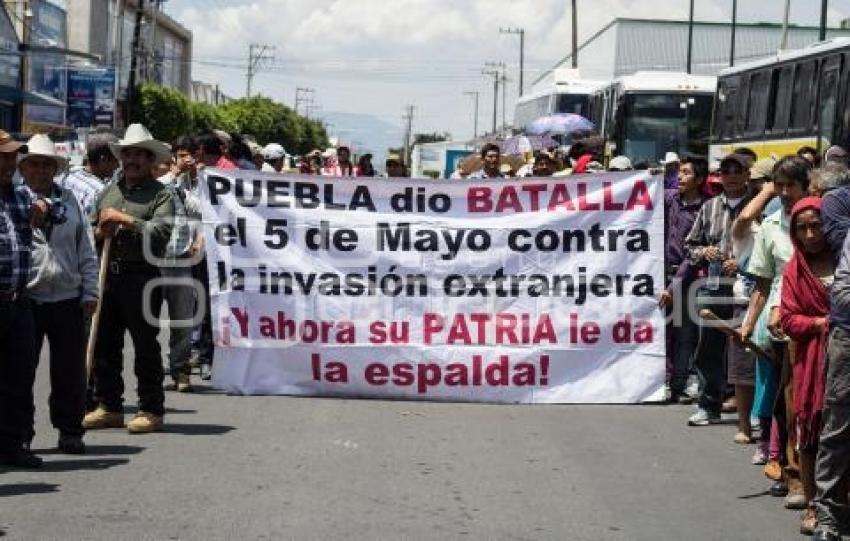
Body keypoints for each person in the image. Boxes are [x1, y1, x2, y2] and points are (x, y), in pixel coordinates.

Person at [83, 123, 175, 434]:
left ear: (151, 161)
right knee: (106, 345)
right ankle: (109, 406)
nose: (133, 160)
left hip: (142, 277)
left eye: (139, 155)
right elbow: (92, 232)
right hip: (108, 275)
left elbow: (161, 232)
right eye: (128, 154)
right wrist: (100, 231)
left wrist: (125, 220)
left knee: (145, 346)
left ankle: (151, 408)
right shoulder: (109, 191)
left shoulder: (162, 195)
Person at [740, 156, 812, 510]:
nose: (784, 193)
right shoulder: (770, 226)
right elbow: (763, 281)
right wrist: (749, 324)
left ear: (806, 186)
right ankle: (790, 472)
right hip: (782, 326)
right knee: (786, 403)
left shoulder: (823, 223)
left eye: (791, 186)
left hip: (821, 324)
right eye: (779, 186)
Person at [20, 134, 98, 455]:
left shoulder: (70, 201)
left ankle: (70, 430)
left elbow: (86, 249)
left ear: (55, 168)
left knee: (69, 372)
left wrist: (90, 290)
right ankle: (19, 434)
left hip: (67, 297)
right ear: (22, 169)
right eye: (33, 164)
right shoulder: (13, 199)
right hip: (26, 299)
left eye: (46, 165)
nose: (40, 170)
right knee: (19, 372)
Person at [0, 131, 61, 468]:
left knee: (19, 378)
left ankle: (11, 444)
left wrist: (46, 204)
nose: (11, 164)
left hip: (19, 301)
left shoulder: (20, 194)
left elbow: (60, 209)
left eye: (13, 158)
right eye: (5, 157)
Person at [684, 153, 754, 426]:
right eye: (726, 170)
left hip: (747, 289)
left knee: (747, 350)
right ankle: (708, 405)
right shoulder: (709, 207)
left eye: (738, 170)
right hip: (713, 287)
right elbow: (690, 247)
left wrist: (742, 262)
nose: (732, 175)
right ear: (719, 176)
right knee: (708, 349)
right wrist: (705, 251)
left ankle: (752, 414)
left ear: (747, 174)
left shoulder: (758, 206)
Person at [779, 197, 833, 535]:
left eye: (817, 225)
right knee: (811, 433)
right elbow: (788, 319)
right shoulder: (794, 271)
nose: (812, 233)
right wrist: (820, 324)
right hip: (812, 362)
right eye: (803, 227)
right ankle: (814, 505)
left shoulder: (844, 260)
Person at [660, 156, 709, 404]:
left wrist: (673, 286)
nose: (680, 177)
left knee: (685, 331)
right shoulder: (670, 199)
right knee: (662, 330)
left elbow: (695, 252)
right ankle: (664, 380)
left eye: (686, 173)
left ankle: (680, 381)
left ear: (699, 180)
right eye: (679, 172)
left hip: (689, 275)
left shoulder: (706, 208)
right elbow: (645, 191)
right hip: (661, 271)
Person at [159, 136, 204, 392]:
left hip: (180, 260)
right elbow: (157, 192)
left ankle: (180, 370)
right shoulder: (158, 183)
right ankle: (152, 373)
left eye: (191, 155)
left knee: (183, 320)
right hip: (152, 262)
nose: (188, 160)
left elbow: (202, 210)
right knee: (147, 324)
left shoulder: (182, 188)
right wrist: (176, 172)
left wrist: (197, 178)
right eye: (182, 155)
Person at [59, 132, 119, 216]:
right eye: (115, 160)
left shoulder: (70, 175)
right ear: (103, 160)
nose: (118, 165)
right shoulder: (100, 193)